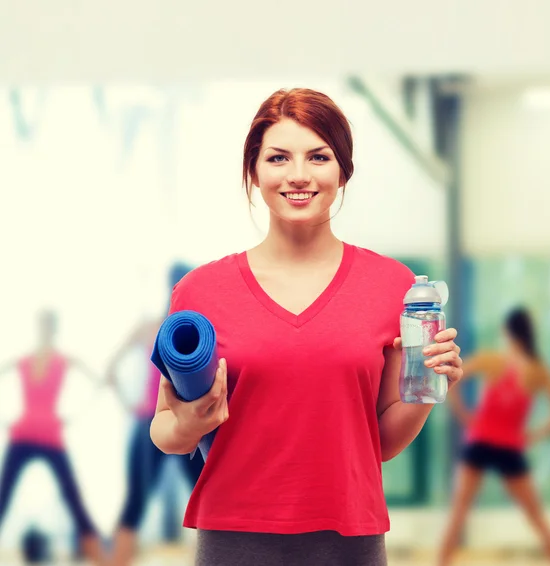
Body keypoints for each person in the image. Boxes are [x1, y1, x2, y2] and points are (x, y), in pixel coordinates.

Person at [149, 88, 464, 566]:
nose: (298, 176)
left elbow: (378, 445)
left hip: (349, 541)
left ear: (343, 170)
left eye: (318, 156)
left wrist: (427, 387)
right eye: (278, 158)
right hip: (234, 539)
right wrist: (190, 424)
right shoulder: (200, 292)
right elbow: (164, 430)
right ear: (254, 172)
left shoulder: (392, 285)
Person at [438, 307, 550, 566]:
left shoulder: (493, 360)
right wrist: (534, 435)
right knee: (537, 518)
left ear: (507, 332)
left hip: (480, 441)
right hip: (509, 447)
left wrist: (466, 417)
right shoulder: (538, 370)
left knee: (458, 514)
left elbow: (449, 378)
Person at [108, 263, 205, 566]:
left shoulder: (193, 328)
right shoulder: (163, 328)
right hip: (153, 422)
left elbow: (111, 369)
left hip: (184, 422)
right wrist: (130, 405)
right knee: (142, 500)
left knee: (204, 498)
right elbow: (111, 369)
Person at [0, 310, 106, 565]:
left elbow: (99, 382)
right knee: (4, 496)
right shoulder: (28, 359)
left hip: (46, 434)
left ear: (50, 328)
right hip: (27, 433)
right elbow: (100, 382)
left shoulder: (57, 360)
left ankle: (100, 556)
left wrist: (72, 416)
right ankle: (99, 554)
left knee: (72, 498)